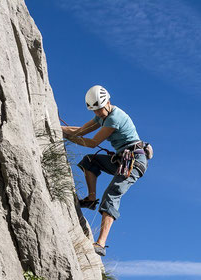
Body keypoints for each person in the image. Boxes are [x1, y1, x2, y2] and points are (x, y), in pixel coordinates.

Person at [62, 85, 151, 256]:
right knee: (89, 161)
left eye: (100, 109)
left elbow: (93, 142)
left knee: (112, 193)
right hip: (121, 159)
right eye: (94, 111)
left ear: (108, 102)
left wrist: (66, 136)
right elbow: (80, 130)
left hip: (134, 161)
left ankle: (101, 244)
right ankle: (90, 199)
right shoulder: (101, 116)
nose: (97, 114)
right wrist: (59, 129)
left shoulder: (114, 118)